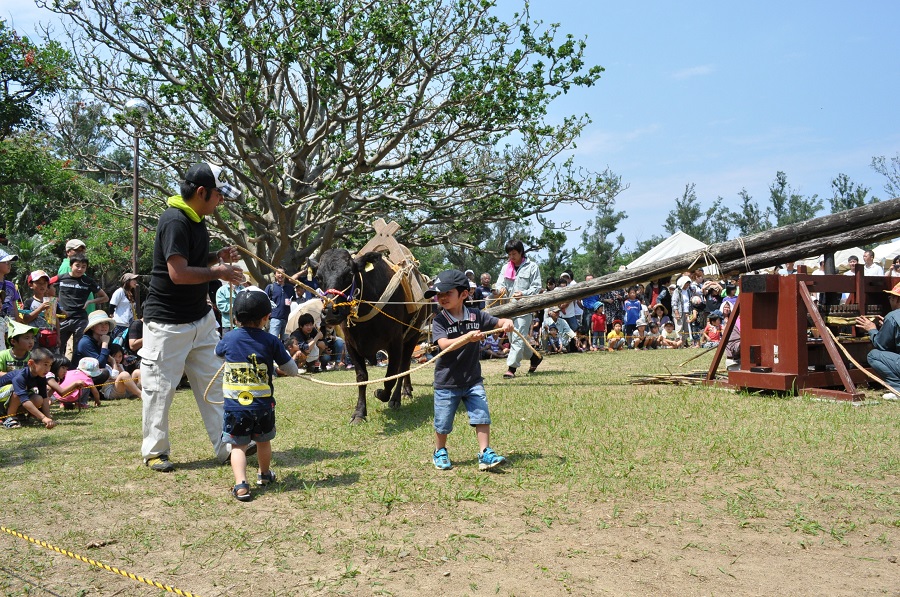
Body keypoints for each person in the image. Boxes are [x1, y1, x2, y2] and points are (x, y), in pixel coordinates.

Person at [139, 161, 246, 472]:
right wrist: (218, 271)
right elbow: (178, 273)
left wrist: (217, 257)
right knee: (160, 389)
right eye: (218, 195)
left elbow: (192, 260)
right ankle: (155, 451)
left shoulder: (197, 219)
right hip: (168, 323)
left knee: (214, 383)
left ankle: (227, 446)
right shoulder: (175, 221)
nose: (221, 200)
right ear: (202, 192)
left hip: (200, 318)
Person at [216, 287, 299, 501]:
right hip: (262, 406)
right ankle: (264, 474)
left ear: (235, 318)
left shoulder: (229, 338)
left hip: (236, 407)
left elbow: (218, 354)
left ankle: (241, 485)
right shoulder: (271, 341)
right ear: (266, 318)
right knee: (263, 442)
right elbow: (290, 369)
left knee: (238, 446)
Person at [427, 269, 512, 471]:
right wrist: (466, 338)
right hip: (447, 382)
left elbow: (497, 322)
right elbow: (444, 344)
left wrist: (506, 322)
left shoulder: (476, 315)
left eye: (448, 293)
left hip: (473, 380)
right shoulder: (439, 320)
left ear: (464, 294)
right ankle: (440, 450)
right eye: (439, 294)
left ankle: (485, 453)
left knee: (481, 415)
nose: (442, 298)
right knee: (443, 422)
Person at [497, 239, 542, 378]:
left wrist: (524, 293)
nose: (512, 257)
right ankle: (534, 357)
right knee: (515, 339)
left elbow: (537, 287)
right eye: (509, 254)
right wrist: (500, 289)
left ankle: (511, 369)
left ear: (521, 252)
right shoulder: (505, 268)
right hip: (509, 309)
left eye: (514, 254)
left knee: (517, 338)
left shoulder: (532, 266)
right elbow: (499, 284)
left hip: (525, 308)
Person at [56, 253, 108, 359]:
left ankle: (76, 372)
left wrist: (90, 302)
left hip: (80, 319)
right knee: (58, 347)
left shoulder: (88, 281)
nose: (80, 269)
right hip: (63, 319)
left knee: (78, 349)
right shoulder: (61, 278)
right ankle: (57, 373)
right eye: (77, 266)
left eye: (83, 267)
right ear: (71, 265)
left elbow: (105, 297)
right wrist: (55, 301)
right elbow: (46, 287)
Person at [855, 281, 900, 400]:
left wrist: (872, 330)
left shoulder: (893, 316)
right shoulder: (892, 318)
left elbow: (881, 345)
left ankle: (898, 389)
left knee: (873, 355)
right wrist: (887, 327)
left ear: (897, 300)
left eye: (891, 297)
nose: (889, 300)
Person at [1, 347, 56, 429]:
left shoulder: (41, 376)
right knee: (16, 391)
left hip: (10, 400)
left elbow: (44, 398)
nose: (48, 369)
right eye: (45, 364)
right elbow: (25, 401)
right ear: (31, 363)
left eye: (50, 365)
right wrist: (43, 418)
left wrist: (48, 418)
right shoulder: (20, 377)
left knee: (38, 399)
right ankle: (9, 418)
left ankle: (18, 415)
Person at [23, 270, 61, 353]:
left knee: (52, 359)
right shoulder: (29, 301)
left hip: (51, 336)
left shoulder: (52, 301)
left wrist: (58, 336)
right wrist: (41, 308)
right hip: (35, 338)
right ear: (31, 285)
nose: (42, 285)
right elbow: (26, 319)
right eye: (38, 283)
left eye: (44, 283)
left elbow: (56, 319)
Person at [58, 239, 98, 316]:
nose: (80, 253)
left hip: (85, 313)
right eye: (77, 251)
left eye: (82, 251)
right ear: (68, 252)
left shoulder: (79, 267)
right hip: (75, 316)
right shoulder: (67, 267)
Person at [0, 248, 24, 351]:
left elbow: (15, 306)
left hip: (10, 325)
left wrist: (18, 323)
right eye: (6, 262)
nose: (9, 264)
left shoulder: (10, 285)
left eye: (10, 262)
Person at [265, 269, 295, 340]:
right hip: (275, 318)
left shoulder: (290, 288)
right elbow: (265, 301)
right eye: (278, 273)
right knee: (273, 340)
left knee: (286, 343)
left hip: (287, 319)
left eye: (282, 273)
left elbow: (294, 302)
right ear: (275, 275)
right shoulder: (270, 287)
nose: (280, 275)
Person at [109, 273, 139, 340]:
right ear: (127, 281)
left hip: (130, 324)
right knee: (119, 344)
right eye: (133, 280)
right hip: (120, 324)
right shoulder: (119, 291)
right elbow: (112, 305)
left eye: (135, 280)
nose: (135, 282)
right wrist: (112, 316)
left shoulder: (131, 293)